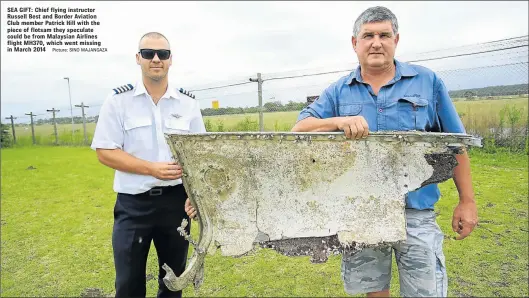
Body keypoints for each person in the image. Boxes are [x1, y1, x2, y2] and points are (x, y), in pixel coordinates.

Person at [291, 6, 478, 298]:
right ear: (355, 43)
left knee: (425, 292)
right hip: (362, 214)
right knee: (374, 291)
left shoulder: (427, 82)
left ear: (396, 40)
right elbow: (299, 129)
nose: (376, 42)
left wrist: (467, 201)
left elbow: (456, 145)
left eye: (383, 35)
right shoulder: (339, 92)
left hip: (416, 214)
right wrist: (338, 121)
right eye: (367, 35)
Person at [91, 32, 206, 298]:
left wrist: (194, 195)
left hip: (176, 205)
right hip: (134, 205)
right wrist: (151, 169)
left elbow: (198, 155)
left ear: (170, 60)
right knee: (128, 285)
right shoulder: (119, 100)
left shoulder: (187, 103)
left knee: (173, 283)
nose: (156, 59)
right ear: (138, 58)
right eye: (148, 53)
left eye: (162, 54)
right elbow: (105, 151)